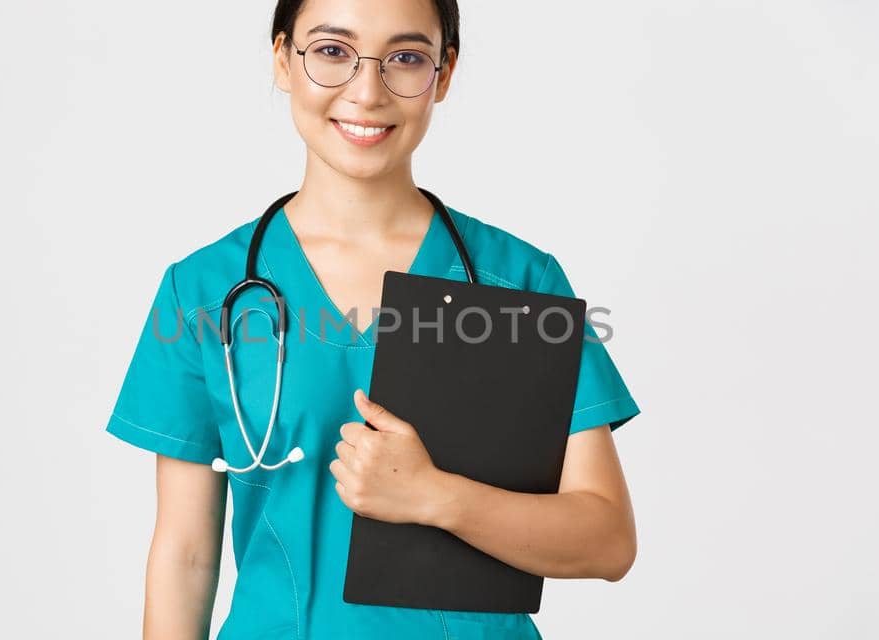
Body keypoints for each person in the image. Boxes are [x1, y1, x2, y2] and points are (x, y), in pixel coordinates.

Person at [105, 1, 641, 637]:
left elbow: (607, 540)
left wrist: (435, 496)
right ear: (283, 60)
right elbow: (186, 555)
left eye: (407, 59)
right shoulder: (203, 294)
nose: (367, 91)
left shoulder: (520, 282)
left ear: (443, 75)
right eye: (332, 51)